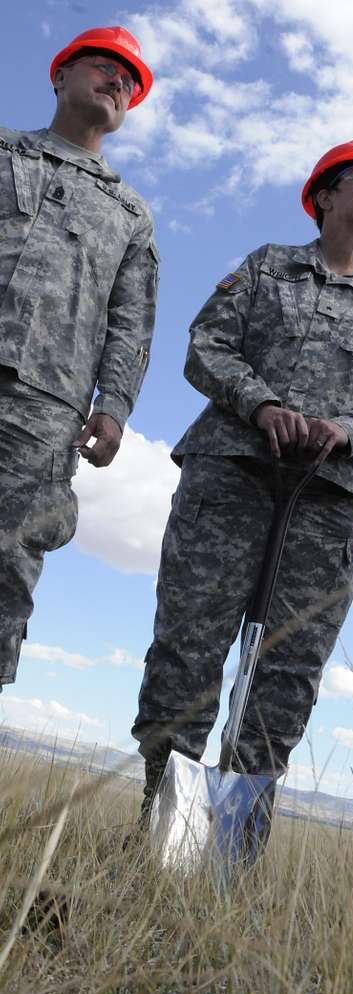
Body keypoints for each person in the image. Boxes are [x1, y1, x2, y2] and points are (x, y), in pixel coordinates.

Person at [131, 139, 353, 827]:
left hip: (328, 499)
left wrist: (349, 428)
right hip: (232, 473)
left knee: (290, 663)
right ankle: (162, 818)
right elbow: (207, 344)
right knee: (190, 640)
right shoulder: (269, 266)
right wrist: (261, 404)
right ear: (322, 196)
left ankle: (236, 832)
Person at [0, 26, 158, 692]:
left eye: (129, 79)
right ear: (60, 76)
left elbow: (131, 320)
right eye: (103, 65)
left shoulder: (130, 214)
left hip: (45, 409)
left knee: (6, 564)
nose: (117, 80)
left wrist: (115, 406)